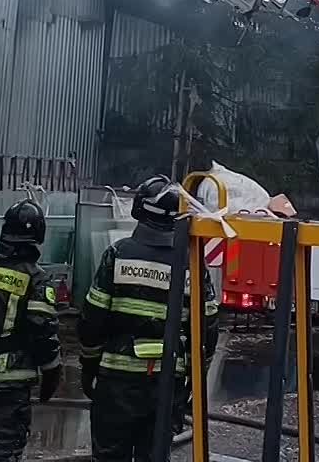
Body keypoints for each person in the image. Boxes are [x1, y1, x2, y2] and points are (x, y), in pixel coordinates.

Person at [77, 175, 220, 462]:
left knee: (109, 455)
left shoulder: (118, 255)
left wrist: (90, 365)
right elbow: (207, 329)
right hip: (167, 385)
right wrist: (195, 377)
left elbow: (92, 320)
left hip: (117, 382)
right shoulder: (190, 264)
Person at [0, 198, 62, 462]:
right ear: (38, 234)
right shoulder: (36, 277)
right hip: (10, 385)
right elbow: (42, 330)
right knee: (2, 452)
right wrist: (52, 371)